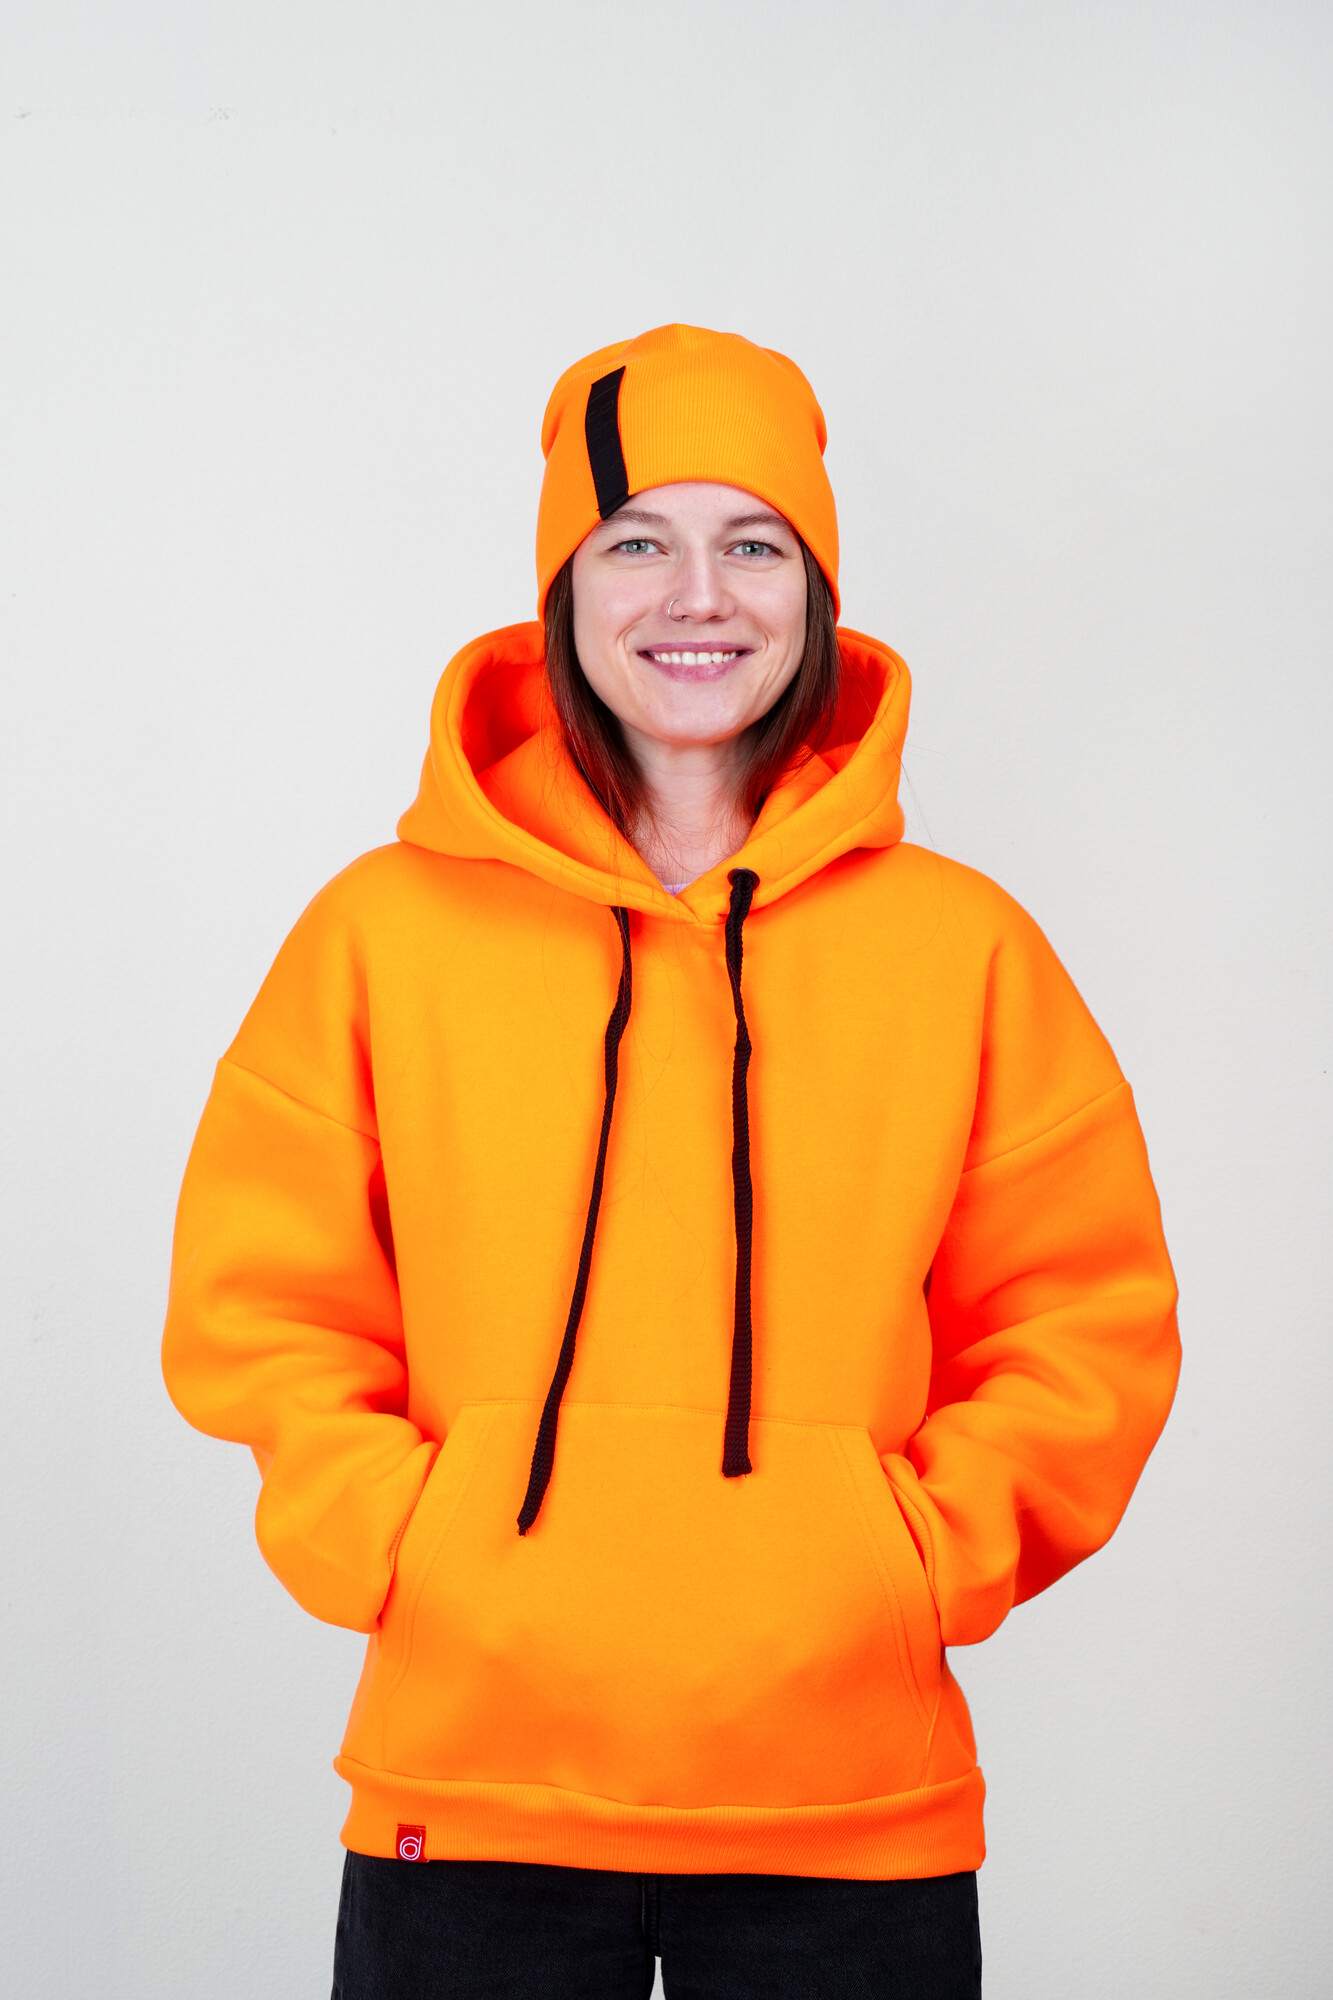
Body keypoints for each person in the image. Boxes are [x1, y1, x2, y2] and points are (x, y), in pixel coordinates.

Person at [161, 323, 1181, 1998]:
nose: (696, 597)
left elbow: (1084, 1323)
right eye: (635, 543)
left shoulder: (962, 949)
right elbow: (260, 1306)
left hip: (847, 1816)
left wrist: (915, 1558)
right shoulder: (381, 932)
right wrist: (400, 1542)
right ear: (562, 587)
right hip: (468, 1800)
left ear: (815, 592)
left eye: (752, 545)